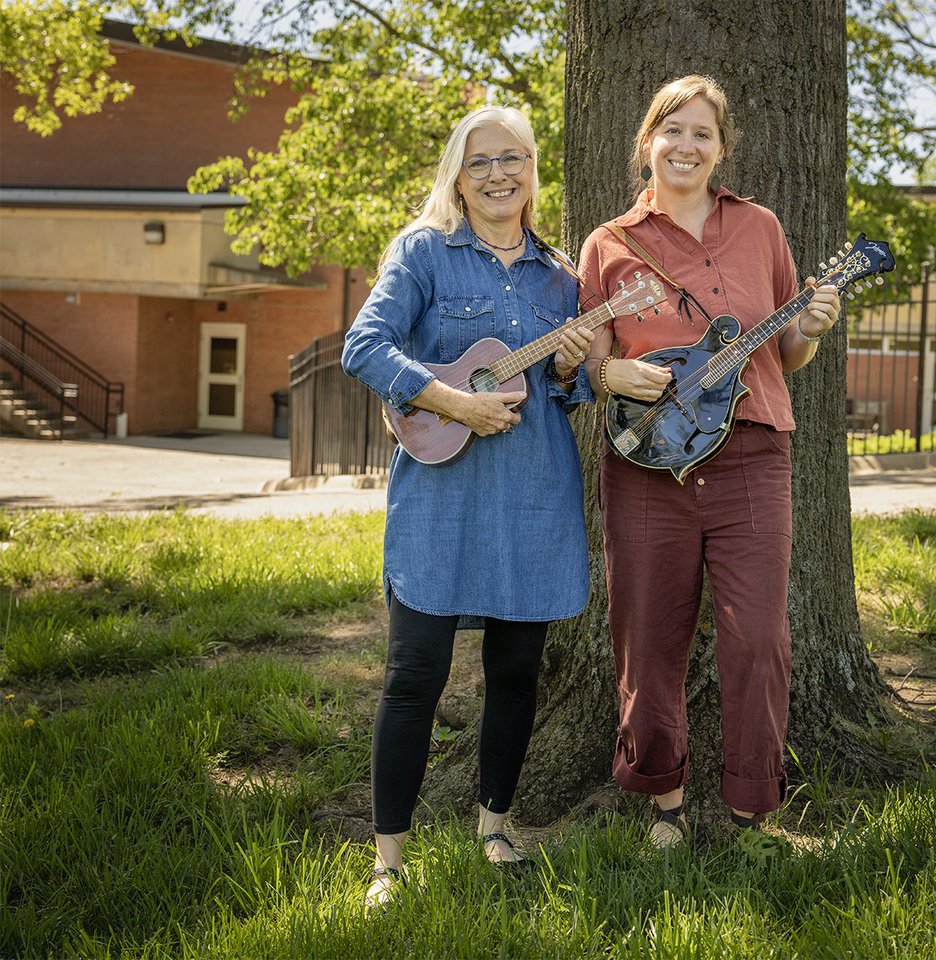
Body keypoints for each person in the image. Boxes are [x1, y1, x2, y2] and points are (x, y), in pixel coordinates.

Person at [578, 75, 841, 847]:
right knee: (647, 633)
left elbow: (787, 353)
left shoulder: (761, 228)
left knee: (758, 634)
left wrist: (816, 323)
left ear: (721, 149)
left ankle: (752, 805)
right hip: (646, 465)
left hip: (752, 454)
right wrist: (605, 373)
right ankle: (663, 801)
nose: (686, 146)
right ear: (647, 143)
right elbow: (588, 362)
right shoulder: (609, 245)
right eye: (672, 131)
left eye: (702, 134)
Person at [342, 105, 594, 909]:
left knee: (516, 672)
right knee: (414, 672)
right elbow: (364, 346)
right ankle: (388, 861)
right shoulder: (424, 253)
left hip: (532, 495)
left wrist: (566, 370)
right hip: (441, 498)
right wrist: (450, 400)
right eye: (480, 161)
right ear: (458, 172)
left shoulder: (562, 277)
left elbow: (574, 393)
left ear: (531, 170)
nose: (497, 175)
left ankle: (495, 825)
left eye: (512, 159)